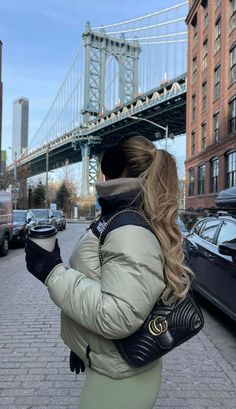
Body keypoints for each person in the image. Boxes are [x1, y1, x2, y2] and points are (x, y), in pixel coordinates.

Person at [25, 135, 192, 409]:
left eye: (109, 166)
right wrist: (83, 341)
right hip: (112, 364)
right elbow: (108, 285)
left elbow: (118, 315)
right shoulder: (120, 215)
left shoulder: (129, 229)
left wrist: (52, 271)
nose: (103, 174)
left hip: (120, 380)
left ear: (120, 170)